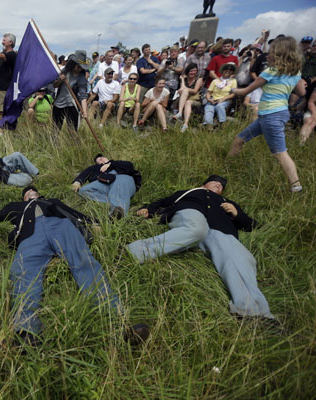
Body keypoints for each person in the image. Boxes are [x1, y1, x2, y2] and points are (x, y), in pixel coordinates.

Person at [0, 186, 149, 347]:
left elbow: (74, 213)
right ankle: (26, 330)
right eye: (28, 191)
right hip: (30, 235)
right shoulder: (15, 207)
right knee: (23, 270)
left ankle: (119, 322)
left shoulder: (52, 202)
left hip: (62, 226)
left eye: (34, 190)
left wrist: (95, 223)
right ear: (24, 197)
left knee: (84, 261)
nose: (31, 191)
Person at [128, 175, 276, 322]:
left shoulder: (226, 202)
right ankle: (133, 252)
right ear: (204, 184)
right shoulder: (189, 192)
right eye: (215, 182)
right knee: (197, 229)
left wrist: (237, 214)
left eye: (221, 186)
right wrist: (147, 209)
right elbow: (162, 202)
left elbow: (251, 225)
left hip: (220, 229)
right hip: (192, 213)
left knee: (241, 258)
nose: (219, 185)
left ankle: (252, 312)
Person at [228, 36, 306, 192]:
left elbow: (245, 91)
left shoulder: (270, 72)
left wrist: (231, 89)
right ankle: (227, 168)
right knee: (239, 140)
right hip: (274, 114)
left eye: (270, 53)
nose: (267, 56)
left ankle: (296, 186)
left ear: (278, 55)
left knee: (280, 153)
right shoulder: (295, 73)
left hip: (271, 115)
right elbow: (301, 92)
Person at [71, 154, 142, 218]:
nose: (101, 161)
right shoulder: (95, 168)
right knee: (83, 191)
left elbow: (130, 166)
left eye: (101, 158)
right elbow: (85, 173)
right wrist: (78, 181)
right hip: (104, 182)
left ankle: (118, 213)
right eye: (98, 161)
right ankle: (115, 203)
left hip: (122, 177)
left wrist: (110, 164)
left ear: (106, 157)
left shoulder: (117, 163)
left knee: (118, 187)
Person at [52, 50, 90, 132]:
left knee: (73, 130)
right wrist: (60, 80)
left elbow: (83, 96)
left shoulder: (81, 78)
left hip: (72, 105)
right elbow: (55, 85)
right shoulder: (64, 71)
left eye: (81, 67)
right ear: (73, 64)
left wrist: (85, 111)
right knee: (55, 130)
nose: (80, 69)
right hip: (59, 104)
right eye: (78, 66)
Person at [203, 62, 237, 129]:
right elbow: (209, 92)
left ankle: (222, 124)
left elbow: (233, 94)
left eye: (230, 70)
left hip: (225, 100)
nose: (228, 70)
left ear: (232, 72)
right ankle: (208, 126)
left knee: (220, 106)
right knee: (208, 108)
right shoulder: (215, 81)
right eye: (226, 69)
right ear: (223, 70)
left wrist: (223, 99)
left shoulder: (233, 81)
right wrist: (209, 99)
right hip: (213, 99)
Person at [173, 63, 204, 132]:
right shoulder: (185, 79)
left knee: (186, 93)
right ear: (188, 71)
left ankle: (182, 116)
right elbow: (181, 89)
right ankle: (185, 122)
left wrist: (186, 89)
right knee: (187, 100)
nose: (193, 72)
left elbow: (195, 91)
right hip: (186, 99)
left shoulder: (199, 79)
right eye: (191, 71)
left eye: (195, 71)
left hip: (196, 100)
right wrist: (182, 80)